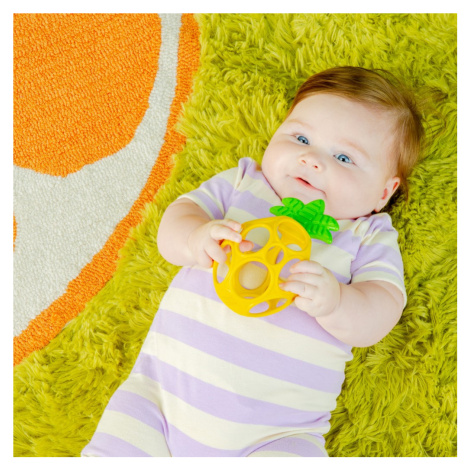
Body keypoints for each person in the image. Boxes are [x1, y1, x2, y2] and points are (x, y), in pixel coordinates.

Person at [82, 66, 424, 457]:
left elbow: (383, 307)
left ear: (384, 192)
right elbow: (175, 223)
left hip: (274, 436)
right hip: (158, 400)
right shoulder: (244, 183)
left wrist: (338, 302)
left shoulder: (366, 235)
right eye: (300, 138)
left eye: (344, 157)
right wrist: (195, 238)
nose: (311, 159)